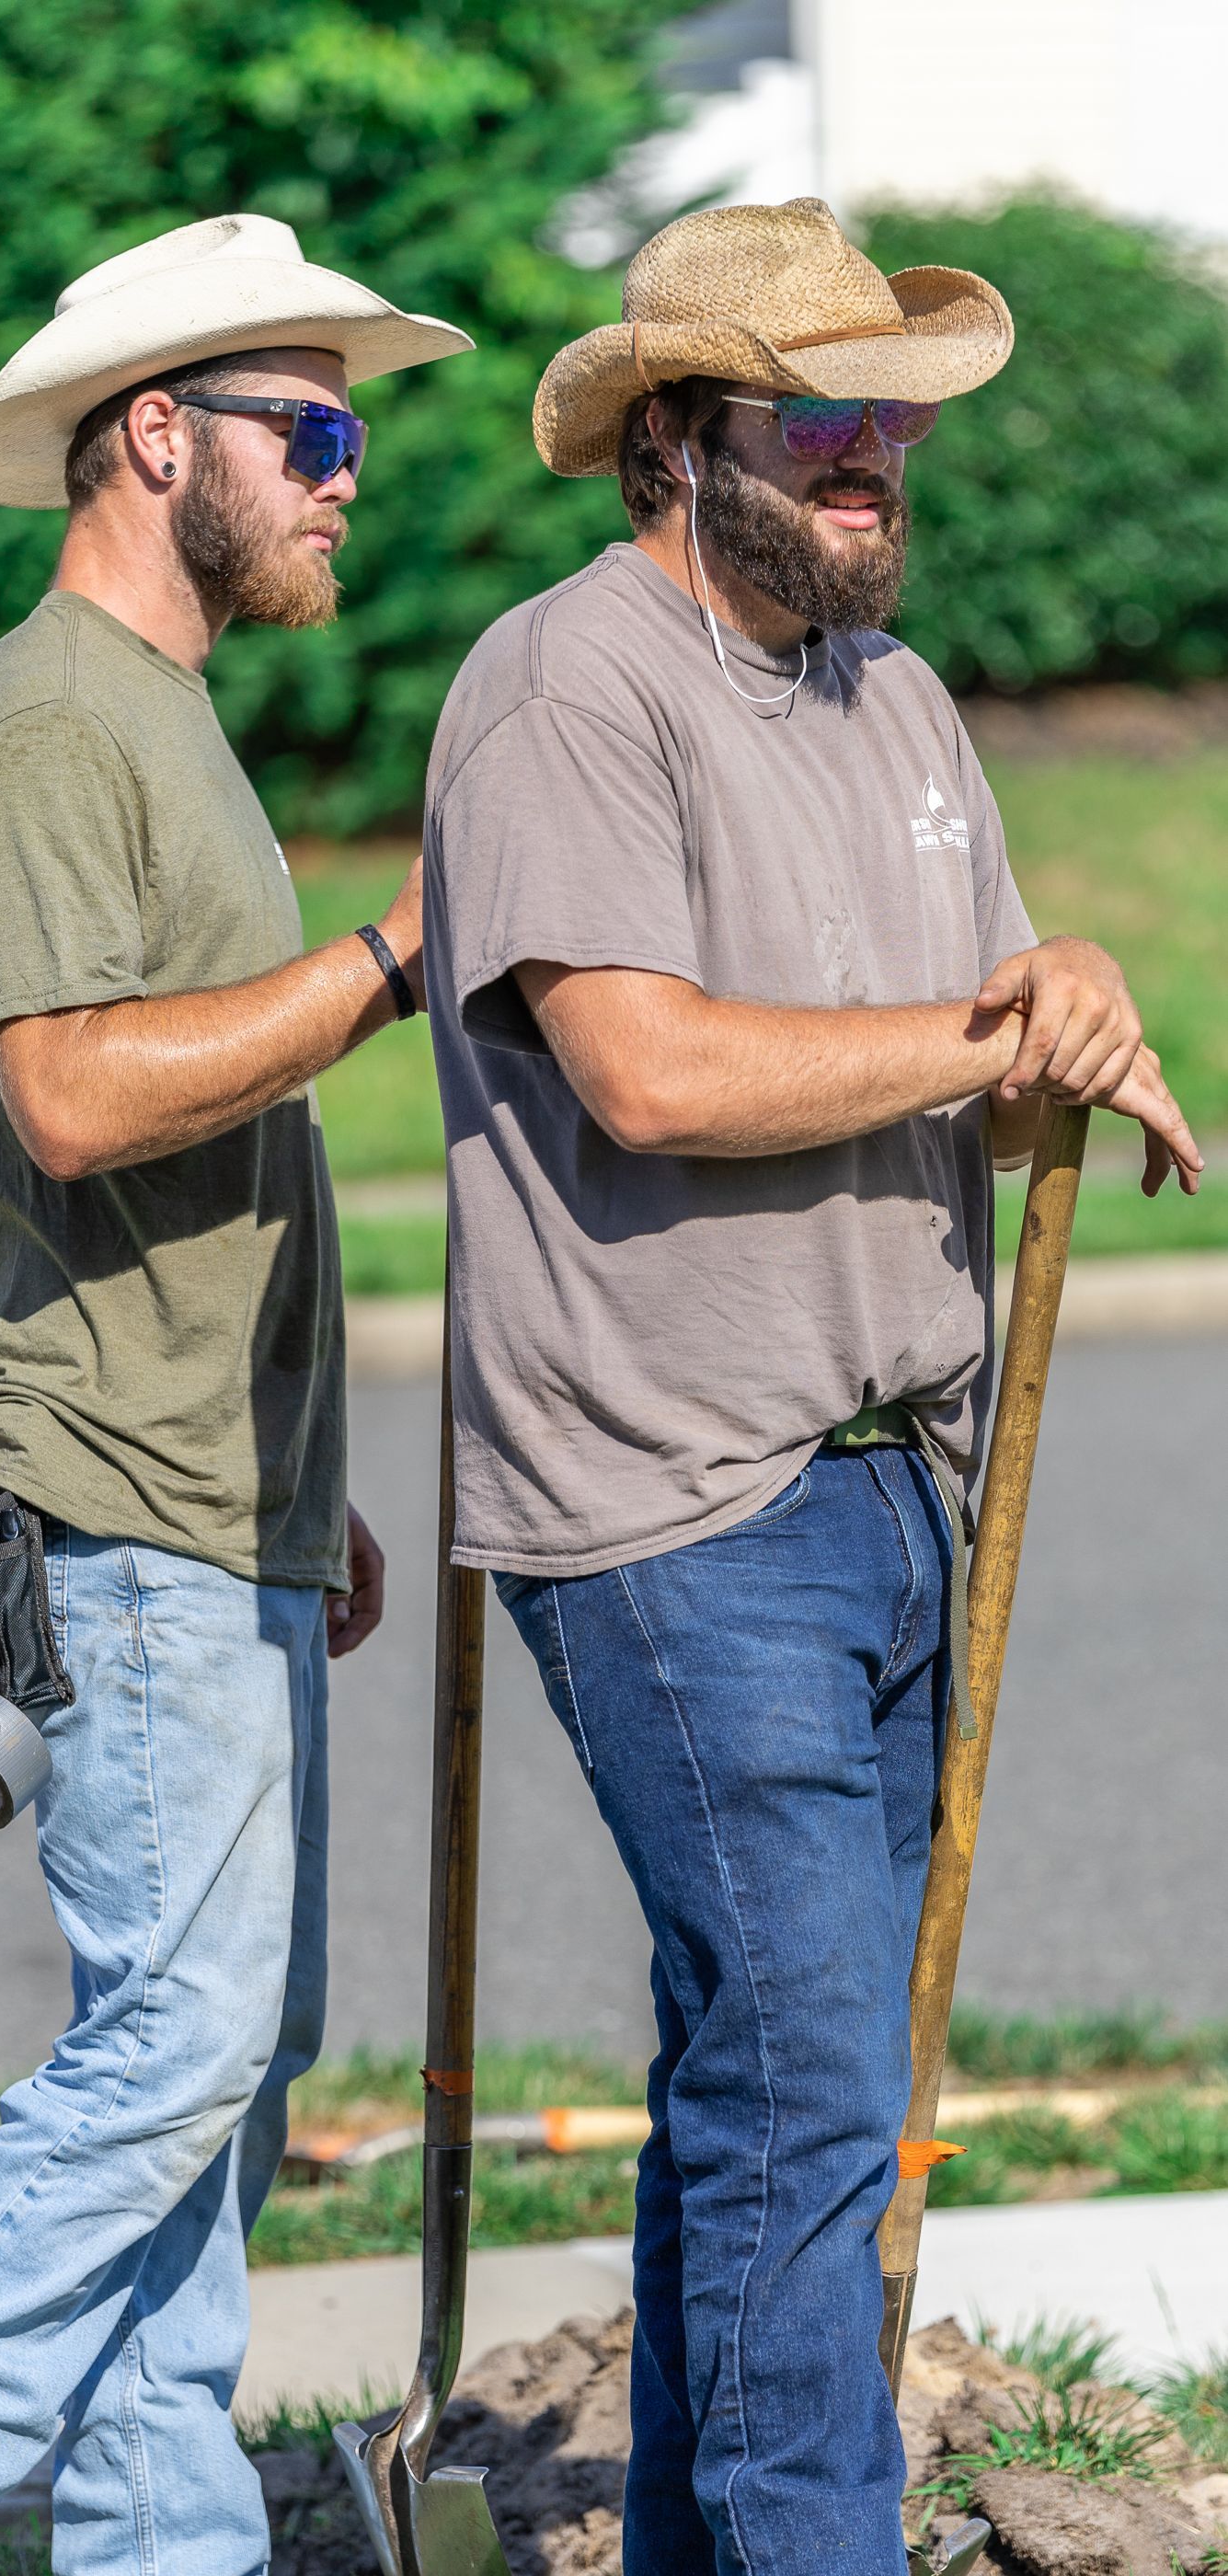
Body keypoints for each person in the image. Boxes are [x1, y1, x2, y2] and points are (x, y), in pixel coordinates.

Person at [422, 199, 1201, 2576]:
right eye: (827, 418)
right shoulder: (563, 690)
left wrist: (1069, 996)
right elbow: (644, 1069)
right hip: (672, 1501)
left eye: (896, 421)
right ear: (673, 440)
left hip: (890, 1489)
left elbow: (985, 1023)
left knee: (763, 2087)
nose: (878, 460)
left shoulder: (902, 702)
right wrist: (980, 1035)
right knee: (805, 2089)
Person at [0, 214, 468, 2576]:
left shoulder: (155, 711)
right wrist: (385, 959)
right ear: (159, 434)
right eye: (313, 425)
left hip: (200, 1484)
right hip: (111, 1494)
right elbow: (64, 1095)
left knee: (221, 2071)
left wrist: (299, 1473)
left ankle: (167, 2540)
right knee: (170, 2049)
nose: (348, 474)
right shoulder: (56, 716)